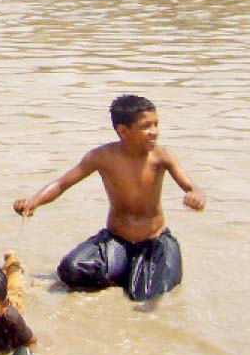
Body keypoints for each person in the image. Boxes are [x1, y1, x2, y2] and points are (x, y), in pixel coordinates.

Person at [13, 95, 206, 301]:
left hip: (154, 242)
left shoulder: (162, 156)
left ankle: (132, 274)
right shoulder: (102, 157)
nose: (155, 132)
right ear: (123, 131)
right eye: (146, 126)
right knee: (71, 271)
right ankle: (123, 270)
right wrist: (34, 202)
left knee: (149, 296)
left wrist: (196, 196)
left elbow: (191, 186)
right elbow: (62, 184)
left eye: (156, 124)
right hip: (117, 241)